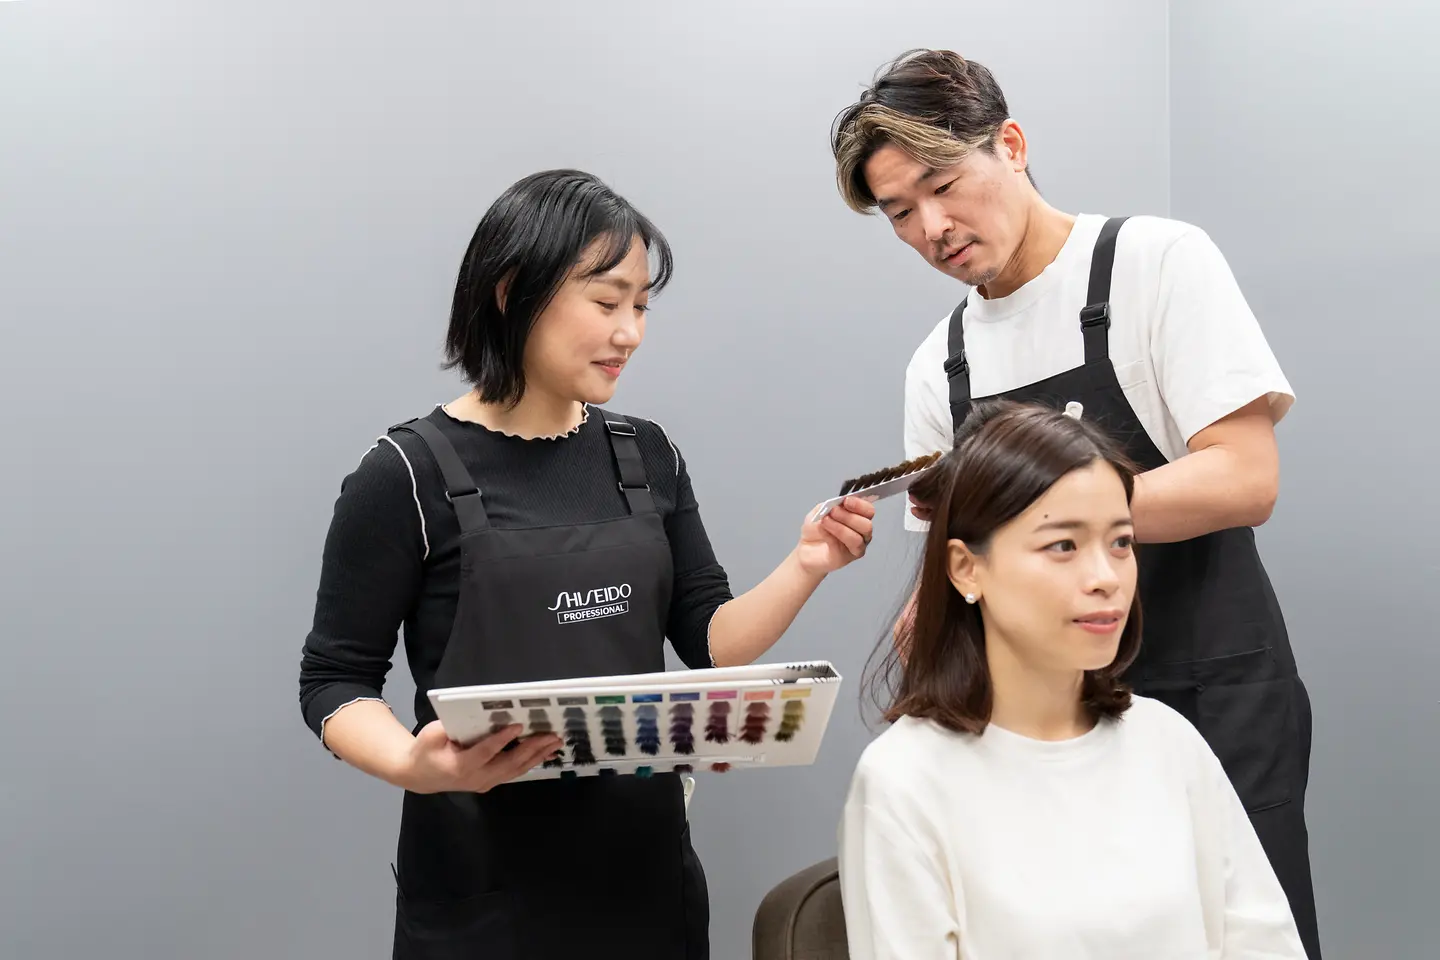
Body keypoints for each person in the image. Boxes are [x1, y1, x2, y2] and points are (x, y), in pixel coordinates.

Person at [297, 168, 876, 960]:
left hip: (647, 884)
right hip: (484, 897)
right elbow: (333, 678)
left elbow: (709, 641)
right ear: (511, 292)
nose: (630, 331)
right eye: (607, 302)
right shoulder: (404, 474)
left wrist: (808, 563)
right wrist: (411, 763)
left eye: (641, 306)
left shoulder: (648, 453)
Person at [829, 49, 1321, 958]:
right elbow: (951, 559)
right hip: (1043, 721)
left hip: (1210, 683)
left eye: (943, 184)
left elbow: (1246, 477)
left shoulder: (1157, 263)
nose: (933, 228)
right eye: (901, 213)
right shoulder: (941, 364)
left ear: (1010, 145)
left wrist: (1047, 520)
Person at [837, 399, 1309, 959]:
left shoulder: (1169, 743)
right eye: (1063, 545)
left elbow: (1264, 944)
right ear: (966, 567)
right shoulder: (906, 780)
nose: (1105, 577)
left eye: (1121, 542)